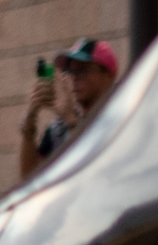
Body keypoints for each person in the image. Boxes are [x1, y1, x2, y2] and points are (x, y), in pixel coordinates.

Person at [17, 38, 119, 178]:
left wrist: (70, 120)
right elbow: (29, 177)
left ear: (108, 75)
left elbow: (93, 173)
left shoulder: (122, 120)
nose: (74, 78)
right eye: (70, 71)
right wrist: (31, 117)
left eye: (83, 70)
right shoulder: (59, 128)